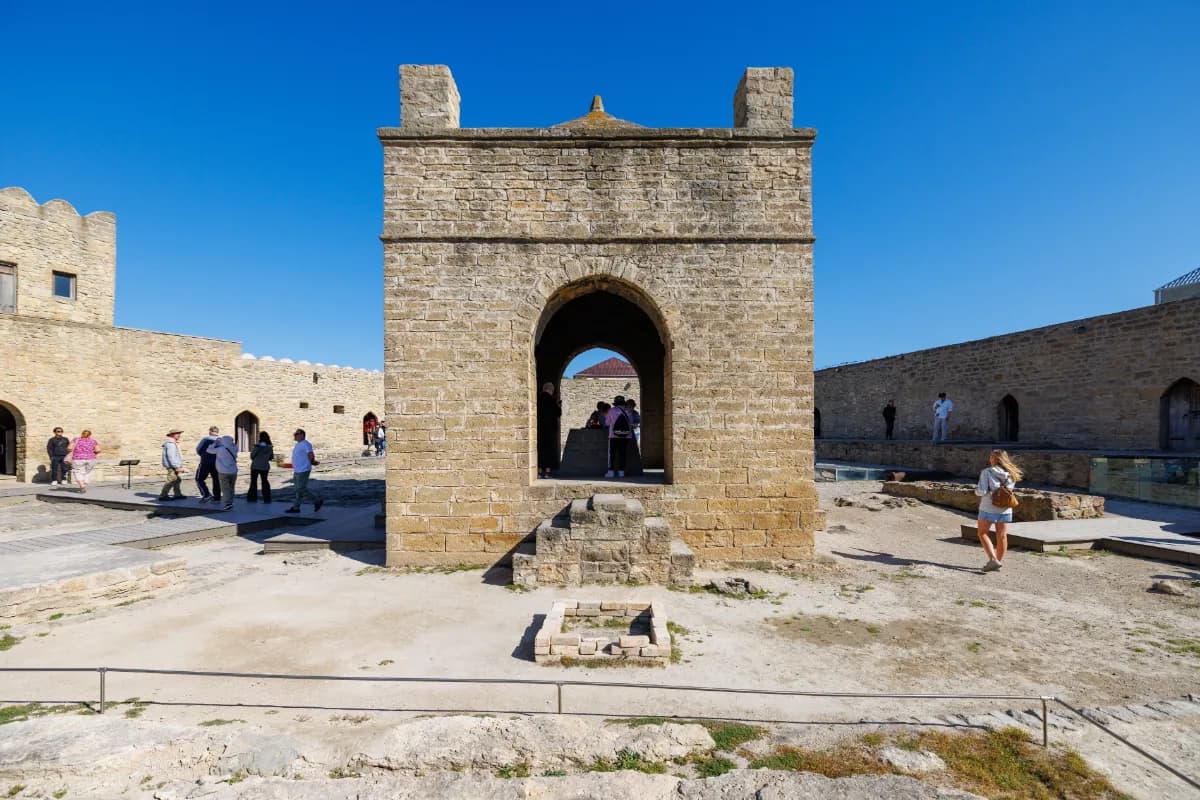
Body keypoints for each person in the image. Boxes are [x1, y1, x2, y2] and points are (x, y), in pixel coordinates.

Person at [974, 449, 1023, 572]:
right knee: (1002, 536)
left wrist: (976, 491)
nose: (989, 459)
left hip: (988, 507)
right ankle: (998, 562)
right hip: (1006, 509)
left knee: (982, 533)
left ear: (994, 459)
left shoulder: (987, 472)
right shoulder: (1012, 473)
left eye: (991, 456)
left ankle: (993, 560)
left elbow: (982, 491)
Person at [285, 429, 323, 514]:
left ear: (302, 435)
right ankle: (296, 507)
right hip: (297, 470)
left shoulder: (306, 443)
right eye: (294, 434)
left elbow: (310, 454)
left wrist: (312, 462)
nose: (294, 435)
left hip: (303, 470)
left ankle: (317, 500)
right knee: (298, 490)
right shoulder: (298, 444)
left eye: (296, 434)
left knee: (300, 489)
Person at [207, 434, 239, 511]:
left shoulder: (220, 449)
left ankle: (228, 503)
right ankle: (230, 501)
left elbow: (209, 450)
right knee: (231, 487)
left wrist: (214, 443)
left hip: (223, 471)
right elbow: (233, 445)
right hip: (233, 471)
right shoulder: (235, 448)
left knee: (225, 488)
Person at [605, 395, 634, 479]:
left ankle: (611, 472)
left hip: (613, 435)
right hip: (626, 436)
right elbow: (631, 422)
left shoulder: (611, 410)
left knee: (612, 454)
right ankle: (621, 472)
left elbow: (607, 423)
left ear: (615, 403)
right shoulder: (628, 411)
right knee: (623, 453)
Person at [536, 382, 560, 479]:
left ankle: (539, 471)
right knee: (549, 450)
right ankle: (547, 472)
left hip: (539, 428)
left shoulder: (538, 399)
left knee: (540, 449)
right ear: (551, 390)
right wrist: (559, 405)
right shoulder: (552, 400)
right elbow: (558, 413)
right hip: (550, 429)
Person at [195, 426, 222, 503]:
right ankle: (217, 498)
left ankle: (206, 494)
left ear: (210, 431)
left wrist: (204, 456)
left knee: (199, 479)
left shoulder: (206, 439)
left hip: (205, 462)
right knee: (216, 480)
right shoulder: (222, 440)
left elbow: (198, 450)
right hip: (217, 463)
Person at [159, 428, 186, 500]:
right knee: (171, 480)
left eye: (179, 433)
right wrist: (177, 466)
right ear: (171, 435)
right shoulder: (170, 444)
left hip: (174, 465)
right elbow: (171, 456)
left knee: (177, 480)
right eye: (177, 433)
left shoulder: (173, 443)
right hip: (172, 466)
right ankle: (163, 496)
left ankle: (177, 494)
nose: (179, 435)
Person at [247, 431, 274, 503]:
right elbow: (271, 457)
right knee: (265, 482)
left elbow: (252, 456)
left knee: (253, 482)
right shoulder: (270, 447)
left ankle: (252, 498)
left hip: (255, 466)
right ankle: (267, 498)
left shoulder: (257, 446)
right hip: (265, 466)